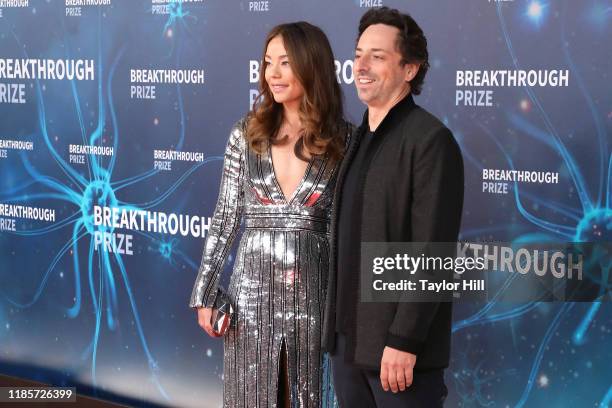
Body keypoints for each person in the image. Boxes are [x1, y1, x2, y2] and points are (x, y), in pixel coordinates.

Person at [189, 21, 349, 407]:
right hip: (251, 298)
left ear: (312, 66)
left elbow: (350, 230)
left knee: (310, 397)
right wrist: (205, 292)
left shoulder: (345, 141)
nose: (272, 74)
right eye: (267, 63)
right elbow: (226, 217)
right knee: (252, 397)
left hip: (316, 298)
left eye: (285, 63)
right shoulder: (246, 135)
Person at [322, 7, 464, 408]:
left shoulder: (431, 141)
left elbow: (433, 251)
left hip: (399, 357)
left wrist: (405, 340)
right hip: (348, 347)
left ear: (410, 69)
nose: (361, 66)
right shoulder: (356, 139)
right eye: (359, 54)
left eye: (378, 56)